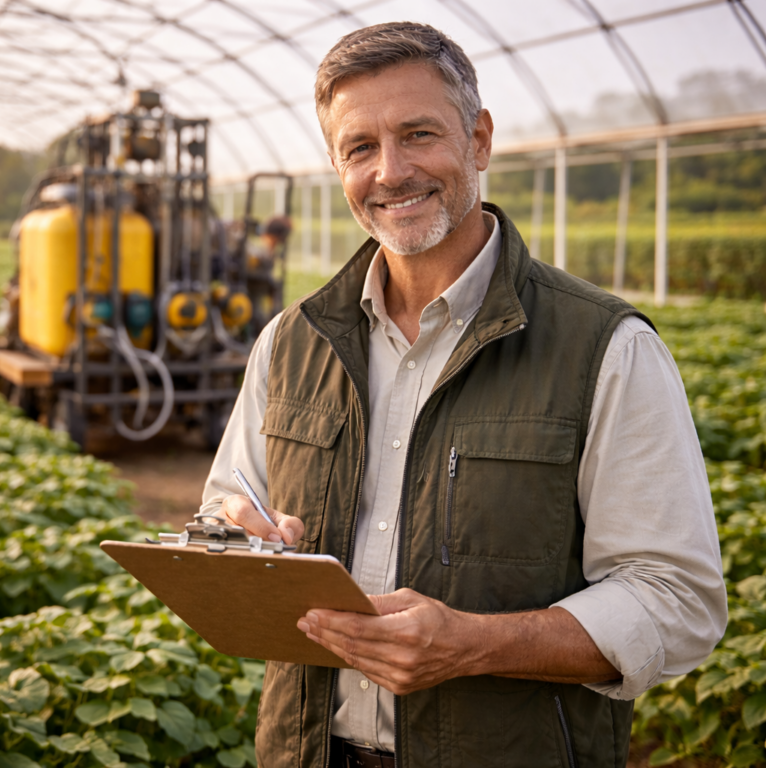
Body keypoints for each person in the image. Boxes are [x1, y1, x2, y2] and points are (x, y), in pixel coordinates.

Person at [200, 22, 727, 768]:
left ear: (478, 141)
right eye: (359, 148)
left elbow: (676, 598)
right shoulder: (292, 341)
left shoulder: (605, 347)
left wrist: (473, 646)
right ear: (336, 165)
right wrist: (240, 539)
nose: (389, 171)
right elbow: (220, 512)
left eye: (418, 134)